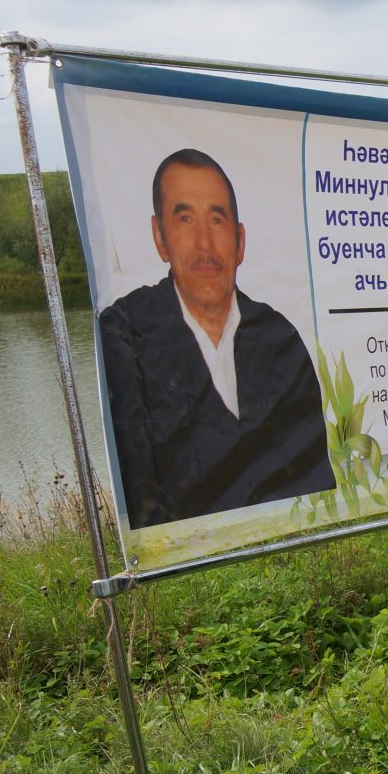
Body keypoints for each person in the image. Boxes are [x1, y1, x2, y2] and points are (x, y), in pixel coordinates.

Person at [99, 148, 334, 528]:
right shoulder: (125, 334)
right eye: (185, 219)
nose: (205, 245)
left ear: (240, 242)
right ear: (160, 237)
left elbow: (315, 482)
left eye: (217, 219)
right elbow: (139, 490)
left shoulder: (280, 340)